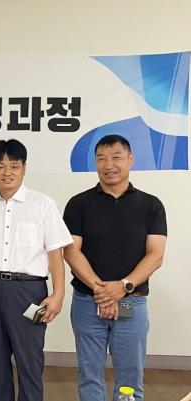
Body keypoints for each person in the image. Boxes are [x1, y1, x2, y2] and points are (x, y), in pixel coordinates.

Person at [0, 139, 72, 401]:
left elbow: (55, 253)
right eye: (0, 166)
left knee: (29, 361)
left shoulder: (43, 204)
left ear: (24, 168)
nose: (7, 172)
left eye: (14, 165)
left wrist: (58, 294)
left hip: (29, 292)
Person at [63, 135, 166, 401]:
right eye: (101, 158)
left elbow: (155, 255)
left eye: (116, 157)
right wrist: (101, 290)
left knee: (130, 375)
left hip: (130, 300)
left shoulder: (151, 205)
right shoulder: (78, 204)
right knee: (89, 373)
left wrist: (122, 287)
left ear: (130, 160)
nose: (109, 164)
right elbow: (71, 251)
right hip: (88, 301)